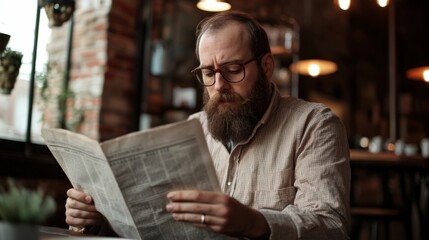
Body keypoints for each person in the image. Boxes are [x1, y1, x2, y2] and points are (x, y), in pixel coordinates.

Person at [65, 11, 350, 239]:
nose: (219, 85)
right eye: (208, 73)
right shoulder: (193, 129)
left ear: (266, 67)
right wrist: (100, 219)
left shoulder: (314, 125)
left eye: (233, 70)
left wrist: (255, 222)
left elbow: (331, 225)